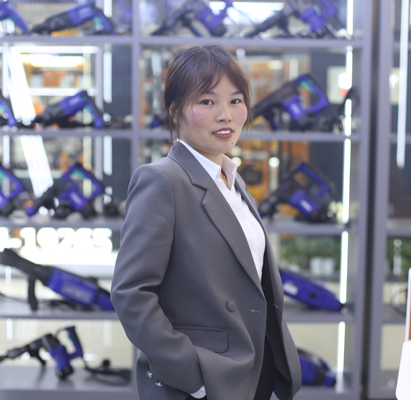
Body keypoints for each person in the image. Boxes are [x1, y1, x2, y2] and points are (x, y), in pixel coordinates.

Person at [110, 44, 302, 400]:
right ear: (175, 111)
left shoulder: (232, 179)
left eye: (235, 100)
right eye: (207, 102)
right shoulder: (162, 180)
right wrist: (194, 378)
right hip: (205, 380)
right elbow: (131, 293)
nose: (225, 115)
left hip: (251, 371)